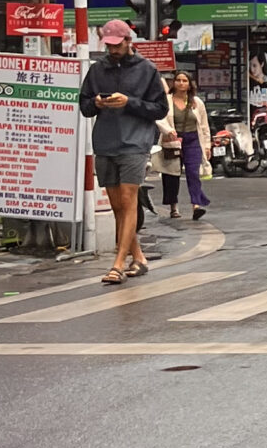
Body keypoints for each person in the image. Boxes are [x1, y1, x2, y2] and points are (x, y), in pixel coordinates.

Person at [78, 21, 169, 284]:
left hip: (135, 143)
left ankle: (117, 264)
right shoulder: (98, 70)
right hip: (105, 142)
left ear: (129, 41)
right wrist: (96, 102)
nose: (114, 49)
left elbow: (160, 109)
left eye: (118, 44)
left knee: (129, 200)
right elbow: (84, 105)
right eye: (109, 45)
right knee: (118, 205)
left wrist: (129, 103)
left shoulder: (147, 70)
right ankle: (138, 257)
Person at [160, 70, 212, 220]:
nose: (181, 83)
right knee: (171, 174)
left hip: (193, 140)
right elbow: (160, 119)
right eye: (178, 80)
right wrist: (168, 130)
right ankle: (173, 206)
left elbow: (204, 126)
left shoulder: (197, 102)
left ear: (190, 84)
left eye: (185, 81)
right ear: (174, 83)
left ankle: (196, 205)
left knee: (193, 172)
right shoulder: (167, 100)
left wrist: (207, 145)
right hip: (173, 141)